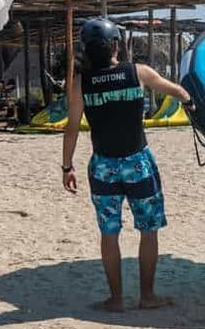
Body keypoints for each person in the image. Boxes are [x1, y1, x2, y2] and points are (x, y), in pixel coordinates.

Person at [62, 18, 194, 313]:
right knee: (149, 230)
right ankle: (147, 296)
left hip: (102, 166)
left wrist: (66, 167)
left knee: (109, 233)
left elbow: (71, 129)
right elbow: (176, 91)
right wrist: (191, 102)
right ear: (117, 46)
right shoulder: (139, 72)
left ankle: (116, 298)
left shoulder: (82, 83)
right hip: (138, 163)